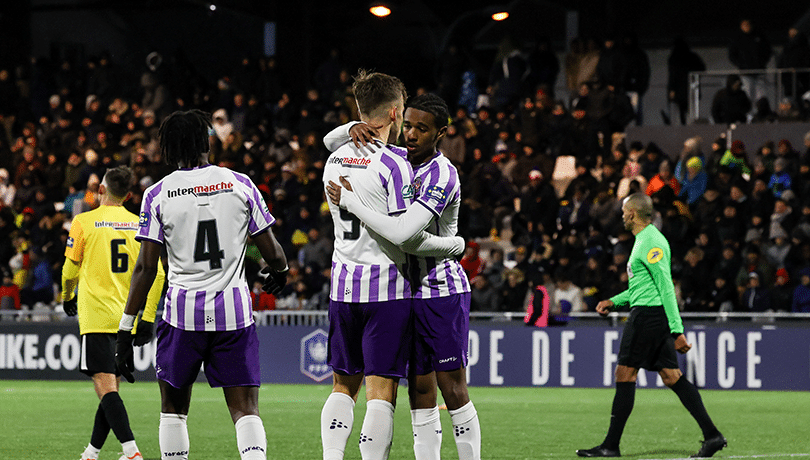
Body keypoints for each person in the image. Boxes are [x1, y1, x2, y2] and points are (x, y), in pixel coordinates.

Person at [114, 109, 290, 460]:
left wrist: (125, 327)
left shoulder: (157, 194)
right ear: (206, 141)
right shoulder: (241, 183)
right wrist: (280, 272)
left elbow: (146, 269)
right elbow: (272, 252)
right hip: (234, 315)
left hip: (182, 316)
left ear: (168, 148)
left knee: (174, 410)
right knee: (245, 410)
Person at [325, 92, 481, 460]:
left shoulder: (441, 173)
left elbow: (406, 236)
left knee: (453, 389)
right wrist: (353, 126)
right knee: (419, 391)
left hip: (441, 290)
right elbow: (333, 142)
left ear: (440, 133)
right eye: (408, 125)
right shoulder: (395, 160)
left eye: (422, 129)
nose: (411, 134)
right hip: (406, 292)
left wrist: (453, 246)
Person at [576, 193, 726, 458]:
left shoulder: (650, 241)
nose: (621, 216)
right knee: (671, 376)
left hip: (648, 317)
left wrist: (677, 330)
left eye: (623, 212)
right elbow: (642, 289)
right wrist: (614, 301)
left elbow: (666, 287)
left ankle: (611, 446)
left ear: (632, 213)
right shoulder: (645, 241)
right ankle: (713, 436)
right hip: (650, 311)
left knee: (625, 373)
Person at [61, 165, 166, 460]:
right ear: (129, 195)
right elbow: (157, 275)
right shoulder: (139, 225)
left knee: (105, 387)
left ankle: (131, 451)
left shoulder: (84, 221)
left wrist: (67, 296)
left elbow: (69, 270)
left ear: (101, 190)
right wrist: (146, 319)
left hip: (96, 316)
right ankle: (92, 453)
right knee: (110, 389)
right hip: (126, 320)